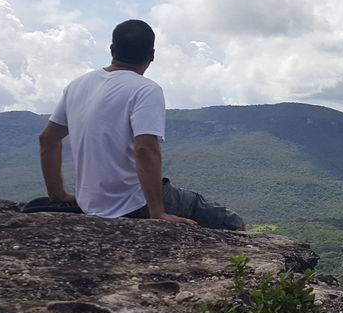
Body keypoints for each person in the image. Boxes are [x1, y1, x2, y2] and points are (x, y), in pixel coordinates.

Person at [36, 19, 244, 230]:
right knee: (231, 223)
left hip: (90, 204)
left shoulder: (77, 86)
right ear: (152, 54)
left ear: (111, 49)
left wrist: (57, 195)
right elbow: (145, 147)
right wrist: (157, 212)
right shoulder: (145, 89)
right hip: (134, 203)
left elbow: (48, 138)